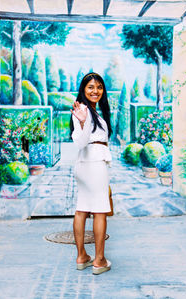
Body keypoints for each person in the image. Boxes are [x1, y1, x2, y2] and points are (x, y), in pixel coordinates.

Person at [70, 72, 112, 275]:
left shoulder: (92, 111)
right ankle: (99, 260)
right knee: (100, 210)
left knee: (82, 209)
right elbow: (80, 141)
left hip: (85, 164)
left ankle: (82, 257)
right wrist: (85, 121)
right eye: (91, 87)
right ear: (83, 90)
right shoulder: (82, 111)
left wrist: (87, 119)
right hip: (94, 164)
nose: (96, 91)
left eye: (99, 87)